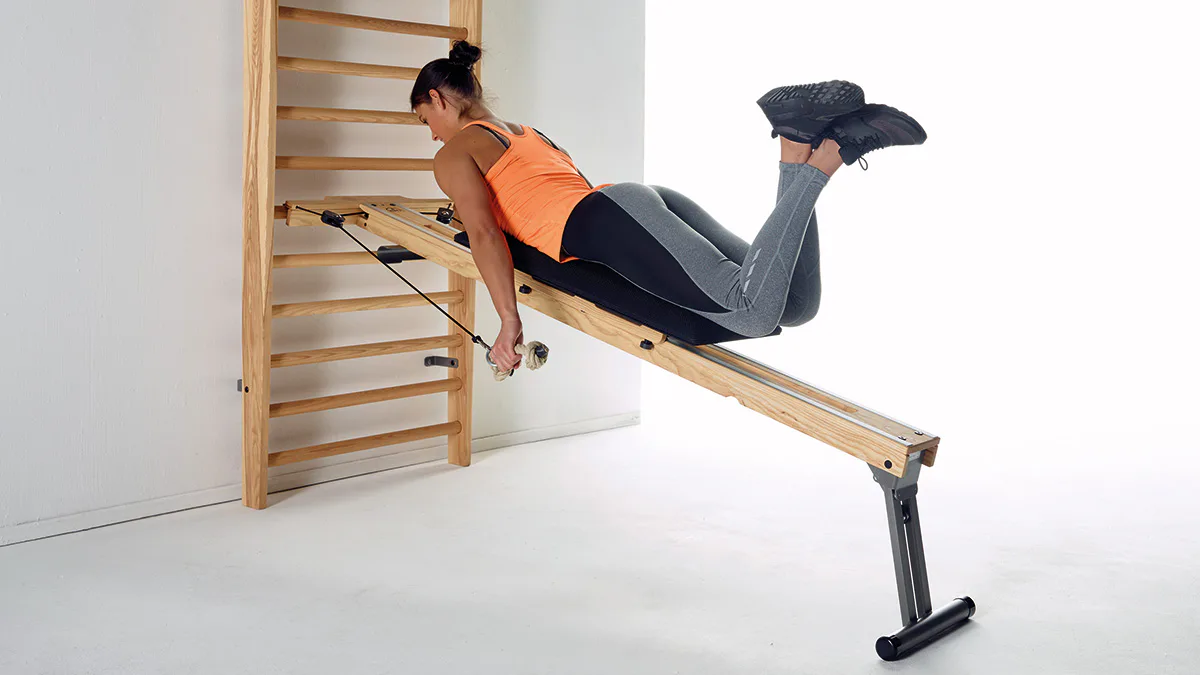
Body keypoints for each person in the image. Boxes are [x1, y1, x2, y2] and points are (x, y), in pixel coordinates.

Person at [411, 41, 926, 373]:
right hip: (632, 205)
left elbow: (485, 234)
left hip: (608, 219)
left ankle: (827, 156)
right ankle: (797, 146)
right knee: (795, 305)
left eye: (424, 119)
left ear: (439, 99)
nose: (431, 134)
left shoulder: (453, 153)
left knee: (750, 312)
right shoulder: (525, 132)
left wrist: (508, 320)